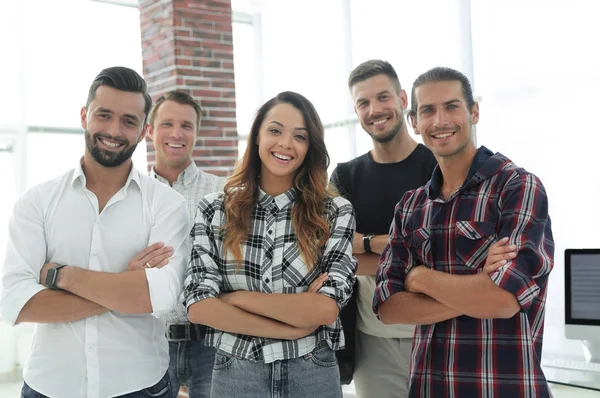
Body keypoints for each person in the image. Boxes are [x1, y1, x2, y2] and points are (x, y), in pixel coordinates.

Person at [0, 66, 190, 398]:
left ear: (144, 130)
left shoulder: (167, 205)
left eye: (128, 121)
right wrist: (124, 286)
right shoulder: (38, 202)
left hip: (140, 387)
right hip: (50, 386)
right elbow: (17, 303)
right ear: (85, 115)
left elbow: (158, 296)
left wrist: (63, 276)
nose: (114, 130)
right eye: (104, 115)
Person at [374, 66, 555, 398]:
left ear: (474, 111)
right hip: (428, 388)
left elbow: (504, 300)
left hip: (503, 389)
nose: (440, 120)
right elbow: (388, 308)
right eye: (427, 110)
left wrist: (419, 278)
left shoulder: (517, 187)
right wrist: (477, 291)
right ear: (414, 122)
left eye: (452, 106)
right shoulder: (410, 207)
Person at [184, 91, 357, 398]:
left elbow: (325, 309)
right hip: (236, 372)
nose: (285, 144)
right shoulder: (214, 209)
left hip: (311, 371)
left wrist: (234, 298)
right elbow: (199, 307)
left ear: (310, 146)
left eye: (299, 136)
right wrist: (292, 326)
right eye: (275, 130)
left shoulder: (334, 211)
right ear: (257, 137)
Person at [329, 59, 437, 396]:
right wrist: (394, 245)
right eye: (363, 102)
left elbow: (445, 257)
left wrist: (365, 242)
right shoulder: (345, 176)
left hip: (439, 331)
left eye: (383, 97)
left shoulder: (438, 166)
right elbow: (335, 258)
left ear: (404, 100)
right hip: (372, 337)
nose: (374, 109)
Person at [146, 90, 224, 398]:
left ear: (197, 133)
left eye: (186, 126)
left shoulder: (223, 192)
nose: (177, 134)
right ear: (149, 130)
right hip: (150, 340)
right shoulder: (134, 195)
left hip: (211, 343)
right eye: (167, 124)